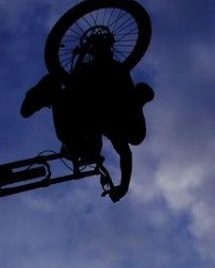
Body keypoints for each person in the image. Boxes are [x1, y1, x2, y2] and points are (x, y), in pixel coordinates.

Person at [20, 32, 154, 202]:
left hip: (80, 111)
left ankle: (44, 96)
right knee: (60, 90)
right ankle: (43, 96)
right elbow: (125, 154)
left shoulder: (118, 107)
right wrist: (123, 186)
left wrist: (123, 186)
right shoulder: (119, 96)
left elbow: (125, 154)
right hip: (78, 110)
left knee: (60, 90)